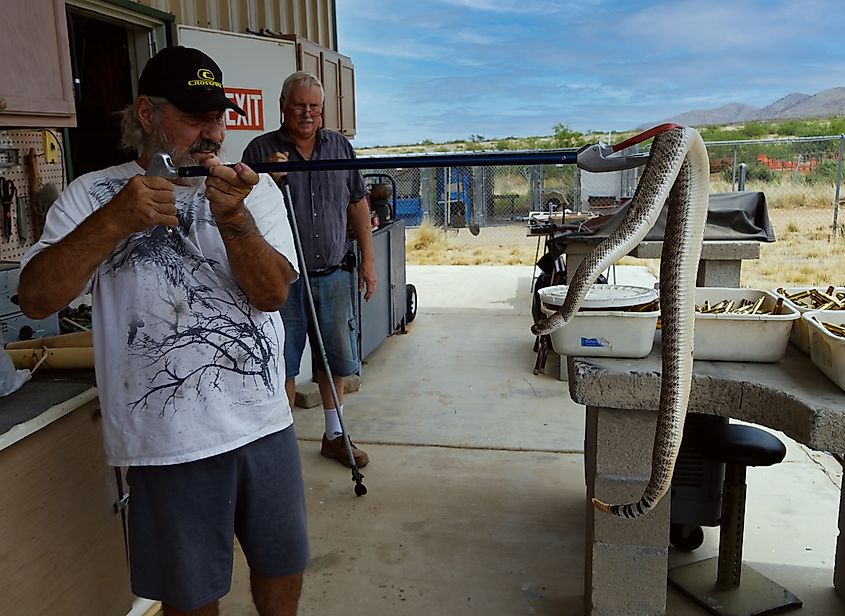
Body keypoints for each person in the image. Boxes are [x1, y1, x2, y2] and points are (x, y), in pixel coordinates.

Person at [18, 46, 307, 616]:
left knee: (283, 567)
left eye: (218, 117)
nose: (213, 133)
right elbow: (36, 297)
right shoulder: (92, 195)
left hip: (263, 423)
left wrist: (235, 221)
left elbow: (273, 295)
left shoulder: (253, 193)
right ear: (148, 115)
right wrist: (116, 221)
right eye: (195, 117)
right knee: (191, 597)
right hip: (166, 445)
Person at [243, 71, 374, 469]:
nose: (307, 113)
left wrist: (368, 260)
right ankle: (280, 447)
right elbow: (235, 212)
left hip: (333, 273)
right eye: (300, 105)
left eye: (314, 107)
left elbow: (357, 204)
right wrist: (266, 178)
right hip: (282, 280)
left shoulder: (339, 147)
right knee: (280, 360)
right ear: (283, 106)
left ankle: (334, 435)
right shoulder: (261, 150)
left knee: (333, 360)